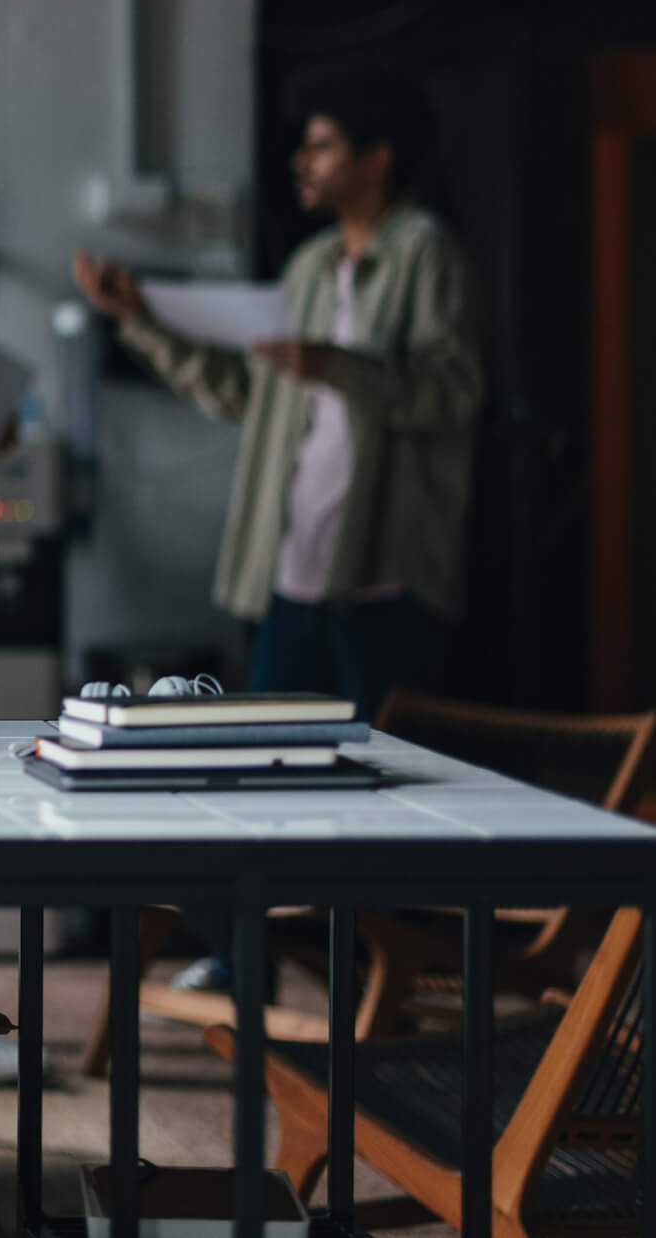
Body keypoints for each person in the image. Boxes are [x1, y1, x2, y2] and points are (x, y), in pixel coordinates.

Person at [74, 60, 480, 990]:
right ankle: (243, 954)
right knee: (240, 783)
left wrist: (334, 364)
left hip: (384, 576)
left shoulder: (427, 256)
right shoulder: (306, 268)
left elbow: (454, 395)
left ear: (378, 156)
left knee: (384, 797)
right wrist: (139, 320)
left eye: (325, 143)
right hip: (290, 572)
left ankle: (377, 985)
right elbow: (239, 392)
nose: (304, 160)